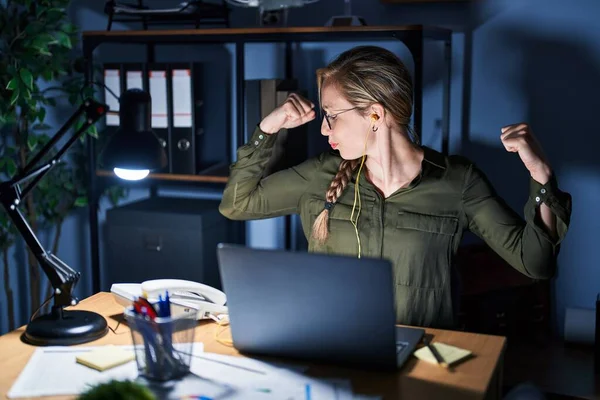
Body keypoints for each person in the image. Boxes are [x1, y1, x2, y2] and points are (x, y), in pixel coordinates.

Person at [218, 45, 572, 328]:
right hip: (331, 352)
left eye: (332, 115)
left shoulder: (458, 182)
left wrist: (540, 175)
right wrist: (269, 127)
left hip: (421, 365)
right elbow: (236, 204)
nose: (324, 130)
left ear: (374, 113)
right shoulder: (319, 175)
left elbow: (535, 263)